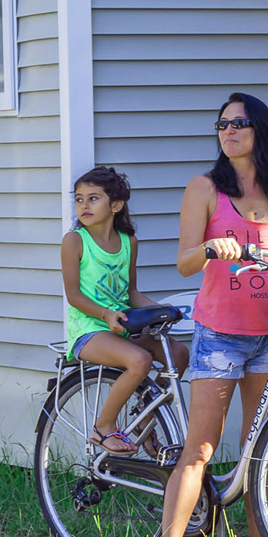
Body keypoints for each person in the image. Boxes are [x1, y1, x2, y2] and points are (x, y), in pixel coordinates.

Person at [152, 92, 268, 537]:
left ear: (260, 129)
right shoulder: (205, 188)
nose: (229, 131)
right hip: (220, 333)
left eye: (239, 123)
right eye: (222, 124)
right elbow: (184, 262)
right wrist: (211, 248)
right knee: (201, 449)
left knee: (259, 450)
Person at [61, 166, 175, 455]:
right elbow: (73, 296)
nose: (83, 205)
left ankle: (144, 416)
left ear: (116, 205)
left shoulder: (128, 242)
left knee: (180, 355)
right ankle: (103, 427)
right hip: (88, 330)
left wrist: (161, 309)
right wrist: (105, 314)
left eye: (93, 198)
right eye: (79, 199)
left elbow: (131, 293)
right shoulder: (75, 241)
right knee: (140, 360)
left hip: (122, 326)